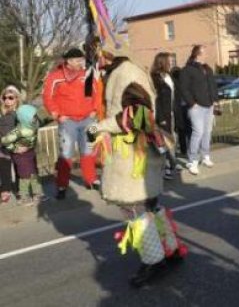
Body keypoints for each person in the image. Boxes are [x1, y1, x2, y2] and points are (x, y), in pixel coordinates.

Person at [88, 49, 186, 287]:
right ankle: (169, 249)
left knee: (134, 208)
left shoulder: (126, 74)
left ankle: (154, 261)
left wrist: (101, 126)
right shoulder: (123, 72)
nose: (94, 61)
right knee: (150, 204)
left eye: (95, 55)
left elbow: (138, 114)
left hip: (132, 155)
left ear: (106, 54)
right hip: (135, 153)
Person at [43, 47, 99, 199]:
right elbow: (48, 97)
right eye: (76, 60)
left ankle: (91, 180)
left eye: (81, 59)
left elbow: (94, 93)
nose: (79, 62)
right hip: (67, 120)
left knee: (89, 150)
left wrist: (94, 110)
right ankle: (62, 185)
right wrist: (56, 114)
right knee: (66, 153)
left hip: (88, 119)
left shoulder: (86, 74)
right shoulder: (55, 76)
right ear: (67, 61)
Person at [179, 45, 218, 175]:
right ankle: (192, 160)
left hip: (209, 105)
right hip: (196, 106)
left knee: (207, 131)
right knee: (198, 132)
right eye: (204, 53)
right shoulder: (187, 70)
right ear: (197, 54)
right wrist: (192, 103)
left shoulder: (208, 69)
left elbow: (212, 85)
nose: (206, 55)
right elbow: (184, 88)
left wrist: (215, 100)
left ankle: (205, 155)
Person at [151, 52, 178, 179]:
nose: (171, 62)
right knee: (164, 141)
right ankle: (167, 167)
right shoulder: (155, 78)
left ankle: (171, 163)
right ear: (162, 62)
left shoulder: (168, 76)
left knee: (171, 139)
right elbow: (156, 99)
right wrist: (160, 118)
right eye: (169, 60)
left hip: (171, 112)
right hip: (162, 115)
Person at [0, 86, 19, 203]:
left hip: (17, 144)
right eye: (4, 97)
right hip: (2, 145)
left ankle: (19, 190)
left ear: (16, 99)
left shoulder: (20, 112)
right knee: (4, 168)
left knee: (19, 168)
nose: (7, 100)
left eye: (10, 97)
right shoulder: (1, 112)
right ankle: (5, 190)